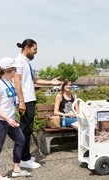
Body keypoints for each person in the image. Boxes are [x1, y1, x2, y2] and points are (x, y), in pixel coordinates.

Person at [14, 39, 62, 169]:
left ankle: (26, 156)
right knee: (25, 130)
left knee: (28, 130)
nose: (36, 52)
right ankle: (23, 159)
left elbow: (35, 79)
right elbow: (17, 82)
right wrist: (21, 101)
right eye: (34, 50)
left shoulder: (26, 62)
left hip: (30, 99)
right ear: (27, 48)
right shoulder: (18, 61)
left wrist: (51, 82)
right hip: (26, 101)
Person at [0, 57, 31, 180]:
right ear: (9, 70)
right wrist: (7, 118)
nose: (16, 71)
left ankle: (16, 169)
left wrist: (12, 115)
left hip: (10, 120)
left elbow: (8, 103)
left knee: (20, 140)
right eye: (15, 69)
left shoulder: (9, 83)